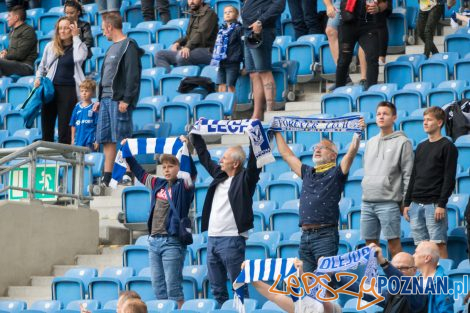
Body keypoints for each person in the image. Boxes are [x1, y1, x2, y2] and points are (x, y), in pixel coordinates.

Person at [273, 119, 365, 273]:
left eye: (323, 148)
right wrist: (276, 132)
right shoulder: (308, 172)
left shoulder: (337, 172)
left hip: (325, 236)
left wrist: (357, 134)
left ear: (333, 156)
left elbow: (351, 153)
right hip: (305, 237)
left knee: (325, 284)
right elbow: (286, 155)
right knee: (308, 284)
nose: (317, 149)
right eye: (316, 147)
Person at [123, 135, 197, 309]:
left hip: (172, 242)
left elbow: (191, 172)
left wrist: (186, 147)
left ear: (180, 166)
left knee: (174, 289)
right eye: (164, 167)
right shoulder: (158, 184)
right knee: (158, 288)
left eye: (171, 166)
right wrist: (127, 154)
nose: (166, 170)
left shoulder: (184, 185)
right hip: (154, 241)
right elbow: (140, 173)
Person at [189, 133, 261, 306]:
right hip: (212, 240)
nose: (220, 160)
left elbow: (254, 163)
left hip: (232, 240)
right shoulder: (219, 175)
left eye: (225, 158)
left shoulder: (245, 179)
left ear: (235, 163)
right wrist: (195, 136)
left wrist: (253, 136)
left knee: (238, 288)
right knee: (217, 289)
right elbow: (205, 157)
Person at [93, 12, 143, 187]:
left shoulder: (128, 45)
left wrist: (127, 99)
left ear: (109, 27)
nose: (103, 32)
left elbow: (132, 75)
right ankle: (108, 176)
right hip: (105, 99)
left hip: (119, 100)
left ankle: (128, 173)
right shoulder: (110, 48)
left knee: (123, 137)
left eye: (103, 29)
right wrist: (99, 99)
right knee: (107, 138)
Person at [404, 106, 458, 259]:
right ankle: (424, 281)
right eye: (424, 120)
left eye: (429, 120)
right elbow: (414, 176)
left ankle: (443, 280)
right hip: (415, 204)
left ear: (440, 122)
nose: (425, 123)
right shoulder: (421, 146)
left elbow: (449, 178)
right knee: (421, 248)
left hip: (434, 205)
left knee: (438, 245)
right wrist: (407, 202)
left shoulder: (448, 147)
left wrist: (441, 204)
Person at [360, 102, 414, 258]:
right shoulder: (370, 143)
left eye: (385, 113)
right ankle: (373, 281)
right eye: (378, 114)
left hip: (388, 202)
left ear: (394, 117)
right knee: (370, 248)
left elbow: (408, 174)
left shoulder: (403, 142)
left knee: (394, 245)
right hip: (367, 201)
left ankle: (400, 280)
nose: (381, 116)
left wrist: (406, 202)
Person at [35, 16, 88, 144]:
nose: (63, 31)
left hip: (68, 90)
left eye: (66, 28)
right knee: (47, 126)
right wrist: (37, 78)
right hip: (50, 89)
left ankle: (64, 162)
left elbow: (80, 57)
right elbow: (42, 66)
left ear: (72, 30)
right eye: (60, 28)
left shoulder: (79, 46)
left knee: (65, 128)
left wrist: (76, 37)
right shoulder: (50, 46)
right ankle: (48, 159)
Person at [375, 241, 454, 312]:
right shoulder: (416, 280)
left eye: (416, 252)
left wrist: (384, 263)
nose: (413, 255)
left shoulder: (442, 281)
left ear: (427, 258)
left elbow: (445, 310)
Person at [241, 0, 285, 119]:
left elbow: (279, 5)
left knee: (264, 70)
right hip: (248, 30)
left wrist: (261, 21)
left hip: (261, 29)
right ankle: (257, 113)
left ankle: (270, 111)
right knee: (254, 74)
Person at [249, 259, 342, 313]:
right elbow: (274, 296)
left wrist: (301, 274)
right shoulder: (304, 308)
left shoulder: (334, 308)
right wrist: (251, 278)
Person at [335, 0, 387, 89]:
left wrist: (378, 8)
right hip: (347, 24)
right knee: (344, 60)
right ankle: (338, 92)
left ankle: (372, 92)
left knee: (372, 57)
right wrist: (328, 5)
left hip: (368, 25)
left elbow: (384, 3)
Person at [155, 0, 218, 72]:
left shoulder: (209, 13)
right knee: (160, 55)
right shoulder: (194, 14)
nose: (191, 2)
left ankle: (185, 79)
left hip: (208, 50)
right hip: (194, 48)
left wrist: (188, 47)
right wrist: (177, 43)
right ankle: (170, 78)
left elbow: (201, 34)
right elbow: (188, 36)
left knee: (182, 56)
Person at [211, 5, 243, 93]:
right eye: (225, 12)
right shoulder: (221, 30)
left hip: (232, 62)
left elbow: (243, 47)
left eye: (230, 12)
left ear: (237, 15)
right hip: (221, 62)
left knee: (230, 86)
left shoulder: (239, 29)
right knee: (221, 86)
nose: (227, 14)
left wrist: (245, 65)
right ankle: (223, 106)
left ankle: (231, 106)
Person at [0, 5, 37, 77]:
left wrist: (5, 55)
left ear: (16, 18)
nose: (7, 19)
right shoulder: (12, 32)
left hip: (25, 66)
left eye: (9, 16)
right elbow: (14, 49)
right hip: (13, 63)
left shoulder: (28, 31)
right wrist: (5, 51)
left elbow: (19, 55)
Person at [70, 79, 98, 150]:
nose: (84, 93)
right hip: (78, 140)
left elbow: (97, 125)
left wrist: (97, 141)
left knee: (88, 159)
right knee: (77, 159)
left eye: (86, 91)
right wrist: (72, 139)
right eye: (82, 91)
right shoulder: (77, 107)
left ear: (92, 92)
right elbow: (73, 125)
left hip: (90, 140)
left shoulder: (94, 107)